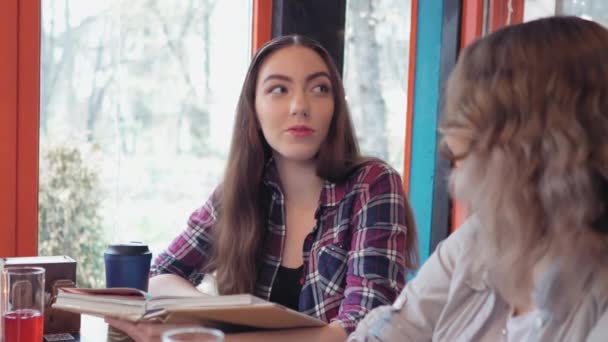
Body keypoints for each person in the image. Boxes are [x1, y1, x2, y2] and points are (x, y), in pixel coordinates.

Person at [107, 34, 418, 341]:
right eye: (279, 89)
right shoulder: (239, 191)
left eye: (319, 89)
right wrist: (215, 312)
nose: (300, 106)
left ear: (335, 108)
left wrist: (220, 339)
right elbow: (156, 277)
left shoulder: (373, 183)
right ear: (253, 111)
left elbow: (364, 328)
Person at [349, 16, 608, 341]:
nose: (451, 150)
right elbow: (396, 328)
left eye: (470, 127)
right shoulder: (480, 237)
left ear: (539, 148)